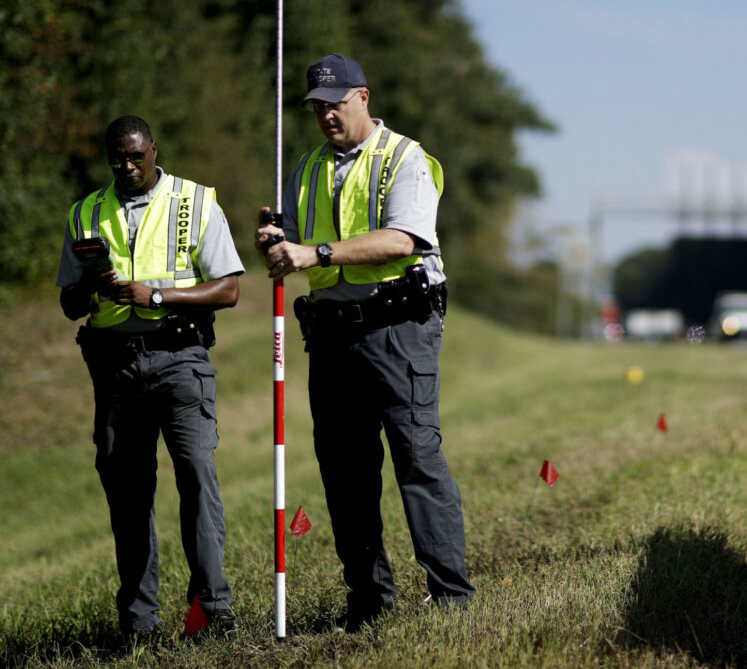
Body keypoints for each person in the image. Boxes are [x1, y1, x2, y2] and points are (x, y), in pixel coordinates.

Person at [255, 53, 474, 632]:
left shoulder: (404, 159)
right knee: (344, 470)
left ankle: (452, 597)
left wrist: (315, 253)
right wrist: (277, 244)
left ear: (363, 97)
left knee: (416, 457)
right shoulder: (305, 168)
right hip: (331, 335)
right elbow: (296, 248)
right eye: (317, 106)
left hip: (398, 327)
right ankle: (369, 601)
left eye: (336, 102)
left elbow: (402, 239)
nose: (326, 114)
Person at [58, 115, 244, 639]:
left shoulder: (195, 201)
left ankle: (211, 610)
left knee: (197, 478)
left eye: (137, 155)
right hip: (115, 367)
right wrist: (92, 284)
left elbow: (228, 288)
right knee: (127, 492)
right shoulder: (85, 213)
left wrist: (158, 295)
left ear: (154, 150)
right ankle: (139, 622)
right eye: (118, 157)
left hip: (181, 357)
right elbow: (69, 303)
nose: (128, 165)